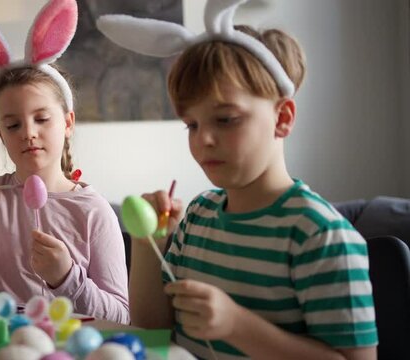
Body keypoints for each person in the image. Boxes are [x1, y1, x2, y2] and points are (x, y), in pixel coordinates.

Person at [98, 0, 377, 358]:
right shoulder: (198, 217)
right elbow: (154, 331)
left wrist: (238, 327)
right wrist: (147, 244)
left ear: (283, 118)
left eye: (226, 119)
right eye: (192, 125)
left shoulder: (320, 235)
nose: (203, 140)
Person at [0, 0, 129, 324]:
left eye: (42, 118)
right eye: (13, 125)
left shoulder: (93, 211)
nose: (28, 133)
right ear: (0, 133)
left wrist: (66, 278)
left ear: (68, 123)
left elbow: (121, 316)